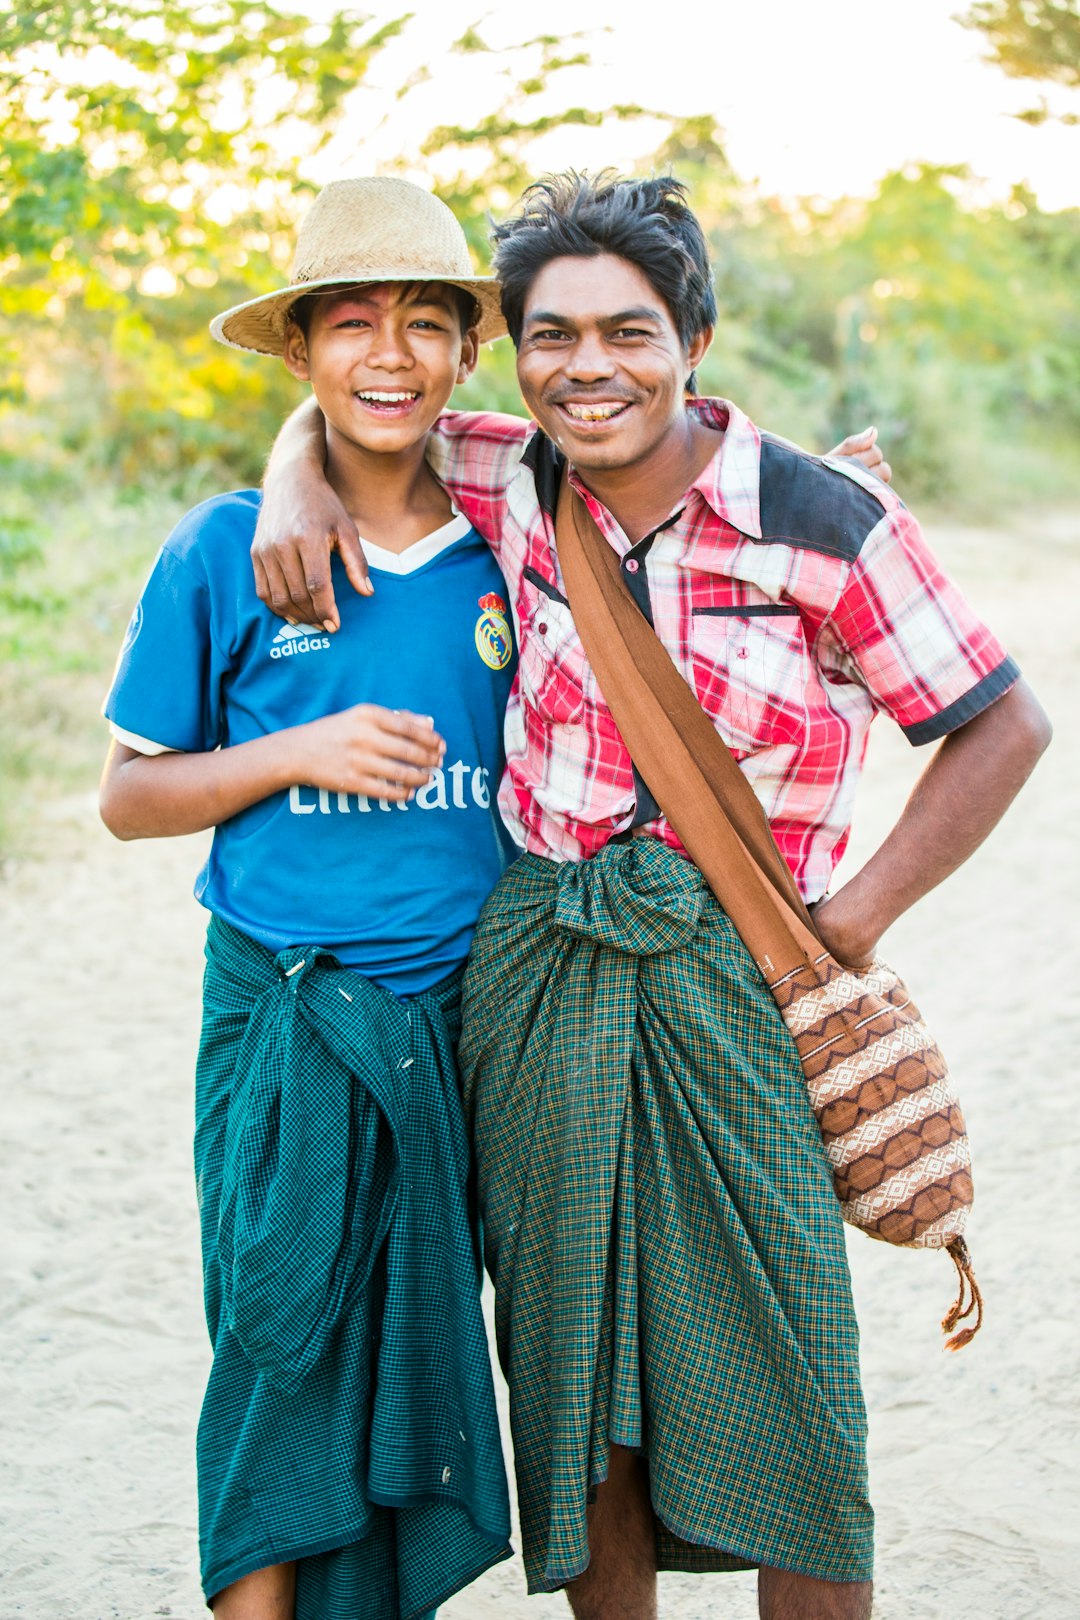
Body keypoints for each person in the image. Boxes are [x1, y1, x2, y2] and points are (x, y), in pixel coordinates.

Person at [253, 172, 1051, 1620]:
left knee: (790, 1354)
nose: (589, 368)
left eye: (628, 332)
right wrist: (292, 471)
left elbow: (999, 724)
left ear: (692, 338)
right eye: (552, 336)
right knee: (571, 1360)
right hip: (540, 961)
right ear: (516, 354)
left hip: (743, 976)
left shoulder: (825, 521)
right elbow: (354, 407)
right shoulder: (504, 471)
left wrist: (852, 920)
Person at [98, 176, 519, 1620]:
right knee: (276, 1350)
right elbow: (129, 794)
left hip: (466, 1024)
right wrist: (299, 750)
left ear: (469, 351)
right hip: (285, 1009)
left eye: (424, 323)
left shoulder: (521, 548)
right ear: (300, 354)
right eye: (351, 324)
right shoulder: (229, 551)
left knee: (421, 1355)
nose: (388, 355)